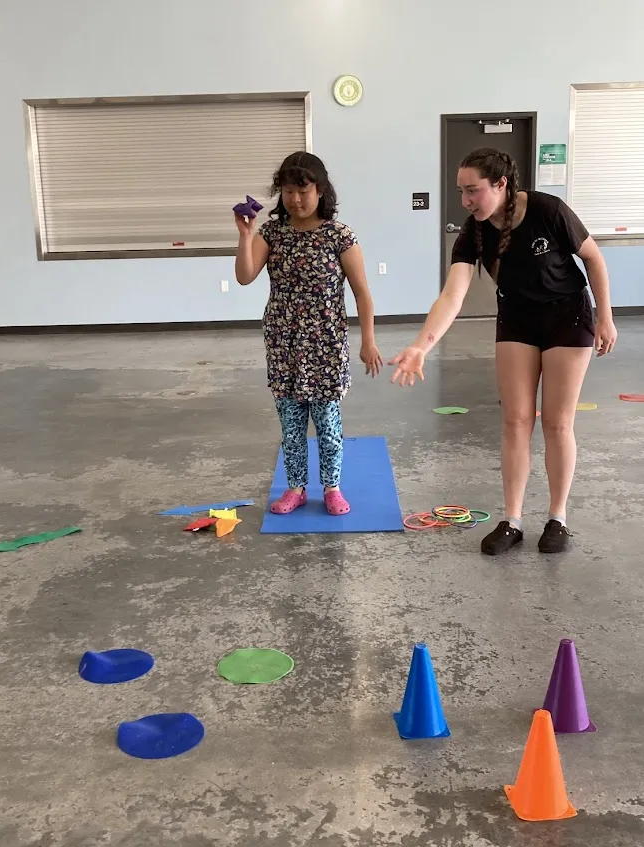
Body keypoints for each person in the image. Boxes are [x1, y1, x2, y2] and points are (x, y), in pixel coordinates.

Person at [389, 147, 618, 555]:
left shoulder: (549, 210)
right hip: (517, 317)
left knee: (557, 424)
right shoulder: (474, 232)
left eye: (473, 190)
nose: (465, 201)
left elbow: (594, 260)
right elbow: (452, 296)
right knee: (515, 420)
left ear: (501, 184)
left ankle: (557, 518)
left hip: (568, 315)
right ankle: (512, 519)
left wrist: (606, 317)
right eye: (461, 191)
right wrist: (421, 346)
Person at [235, 151, 383, 515]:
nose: (296, 200)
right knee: (291, 425)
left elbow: (362, 293)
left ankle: (332, 487)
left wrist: (368, 341)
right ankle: (296, 488)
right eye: (288, 191)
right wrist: (245, 236)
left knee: (328, 423)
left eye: (303, 191)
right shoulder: (272, 233)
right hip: (283, 342)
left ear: (320, 191)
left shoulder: (339, 235)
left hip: (326, 343)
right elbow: (244, 275)